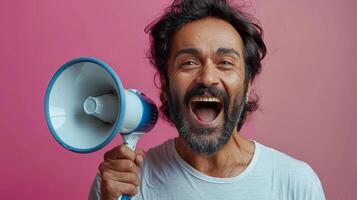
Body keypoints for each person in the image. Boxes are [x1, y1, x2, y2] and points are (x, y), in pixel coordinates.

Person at [89, 0, 325, 199]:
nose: (208, 78)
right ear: (165, 81)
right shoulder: (122, 184)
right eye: (189, 62)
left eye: (225, 63)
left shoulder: (296, 184)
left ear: (248, 83)